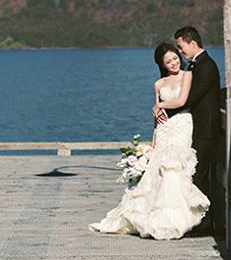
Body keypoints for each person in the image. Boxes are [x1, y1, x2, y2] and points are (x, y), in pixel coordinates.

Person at [88, 42, 210, 240]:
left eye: (175, 58)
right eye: (168, 61)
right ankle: (156, 217)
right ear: (162, 64)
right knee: (158, 169)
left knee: (175, 169)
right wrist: (154, 139)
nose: (174, 63)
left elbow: (182, 101)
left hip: (181, 125)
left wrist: (160, 105)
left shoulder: (187, 75)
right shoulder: (159, 84)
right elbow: (156, 116)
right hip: (164, 130)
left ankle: (178, 220)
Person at [159, 26, 221, 236]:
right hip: (197, 128)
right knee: (196, 174)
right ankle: (200, 220)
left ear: (192, 43)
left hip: (207, 129)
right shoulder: (196, 65)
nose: (180, 51)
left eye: (181, 46)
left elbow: (192, 98)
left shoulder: (207, 66)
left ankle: (206, 223)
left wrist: (165, 112)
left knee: (199, 175)